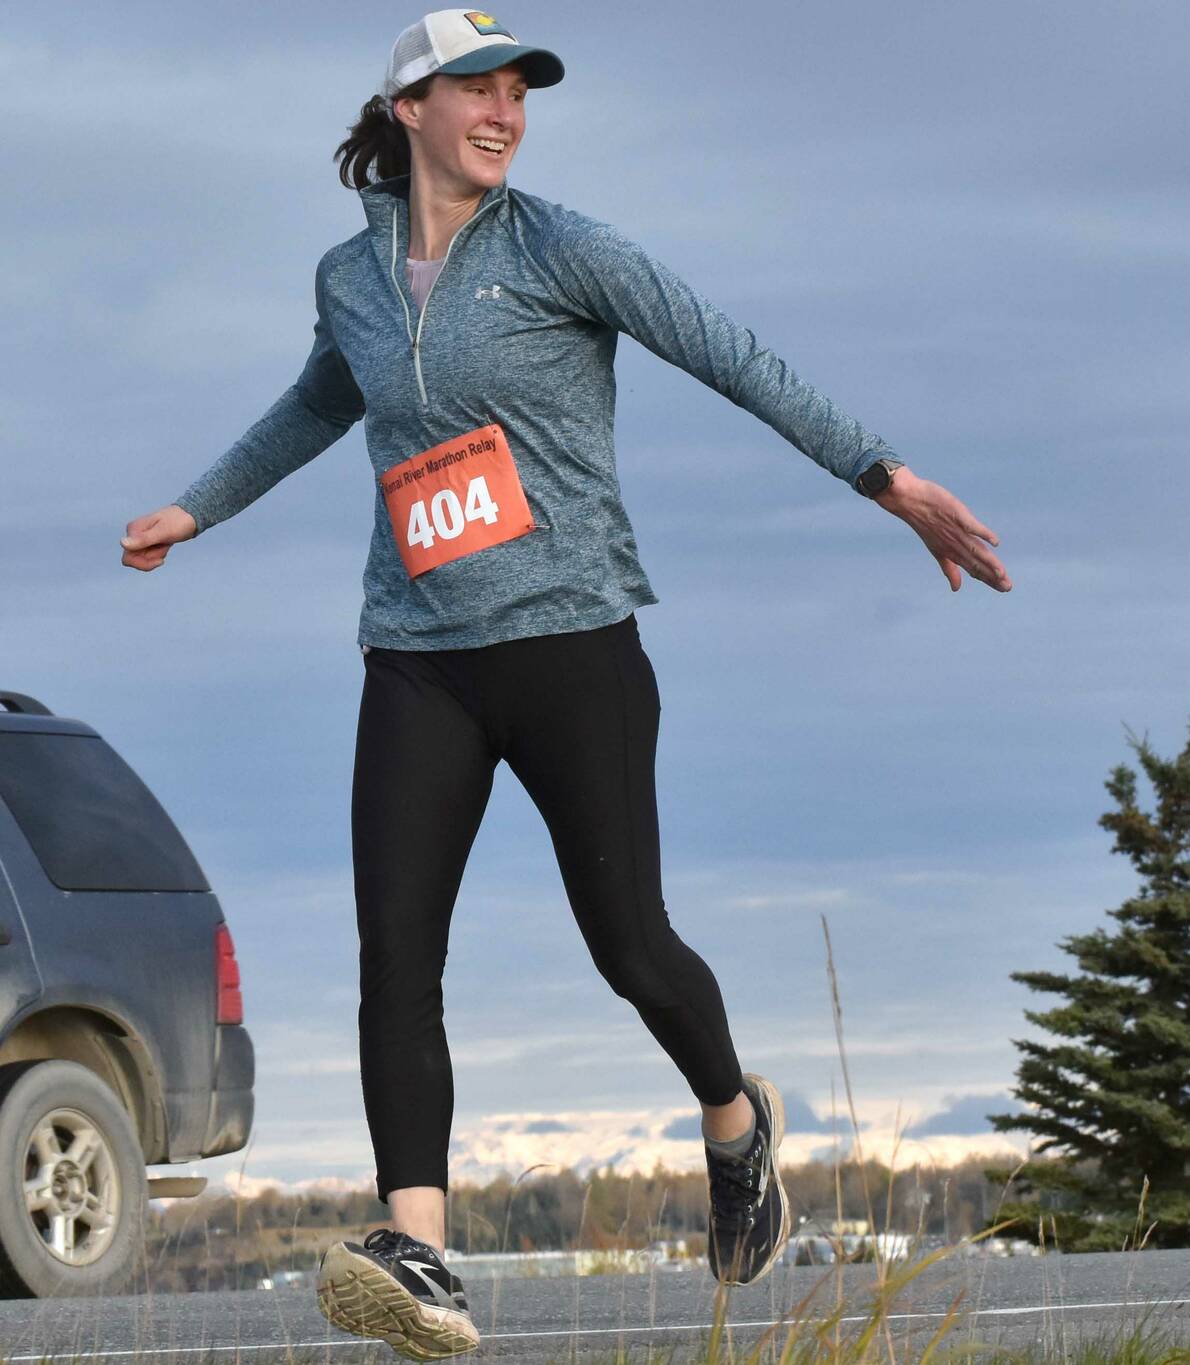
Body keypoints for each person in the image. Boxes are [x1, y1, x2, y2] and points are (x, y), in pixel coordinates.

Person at [120, 11, 1010, 1358]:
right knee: (395, 958)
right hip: (416, 656)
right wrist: (198, 509)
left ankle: (735, 1124)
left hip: (574, 644)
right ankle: (419, 1248)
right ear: (408, 107)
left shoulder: (561, 247)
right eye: (475, 87)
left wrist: (887, 481)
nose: (505, 109)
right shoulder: (349, 277)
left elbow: (729, 352)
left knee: (626, 941)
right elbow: (321, 401)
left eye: (518, 90)